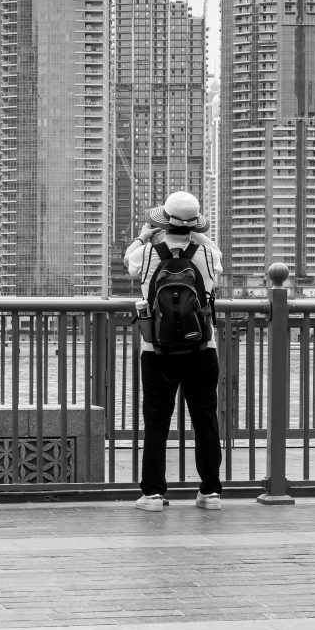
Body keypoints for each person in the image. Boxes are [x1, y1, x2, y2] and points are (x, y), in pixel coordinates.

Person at [123, 190, 224, 512]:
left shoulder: (147, 253)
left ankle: (153, 494)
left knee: (156, 421)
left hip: (157, 350)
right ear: (194, 224)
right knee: (205, 419)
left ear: (164, 221)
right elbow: (217, 260)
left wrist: (142, 237)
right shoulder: (207, 254)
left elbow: (128, 263)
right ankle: (210, 493)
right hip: (202, 348)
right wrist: (197, 235)